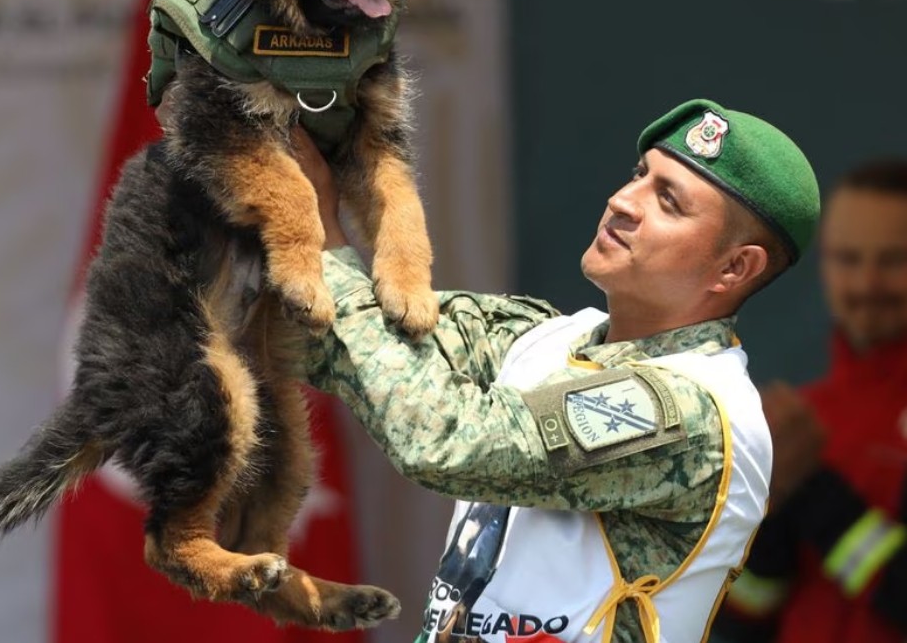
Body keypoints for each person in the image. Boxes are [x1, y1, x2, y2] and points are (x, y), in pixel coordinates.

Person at [288, 98, 820, 643]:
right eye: (639, 174)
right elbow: (341, 343)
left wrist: (321, 233)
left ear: (735, 267)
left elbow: (447, 442)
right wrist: (281, 171)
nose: (622, 201)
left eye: (667, 201)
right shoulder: (543, 337)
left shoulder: (695, 407)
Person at [717, 159, 907, 643]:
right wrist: (770, 510)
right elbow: (743, 619)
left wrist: (811, 487)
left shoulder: (800, 441)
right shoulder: (801, 420)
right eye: (847, 259)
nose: (866, 284)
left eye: (893, 260)